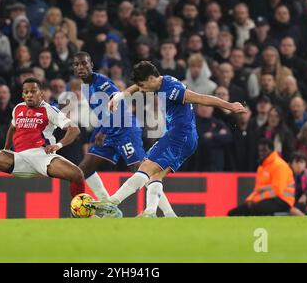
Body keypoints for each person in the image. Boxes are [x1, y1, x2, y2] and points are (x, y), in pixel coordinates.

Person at [93, 61, 245, 217]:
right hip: (186, 138)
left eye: (143, 85)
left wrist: (230, 106)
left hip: (179, 136)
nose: (142, 90)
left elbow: (200, 98)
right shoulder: (160, 81)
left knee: (145, 168)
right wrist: (119, 96)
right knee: (155, 175)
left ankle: (111, 203)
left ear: (151, 78)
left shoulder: (173, 90)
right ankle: (159, 213)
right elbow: (137, 87)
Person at [72, 52, 176, 217]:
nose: (80, 68)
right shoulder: (85, 87)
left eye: (84, 64)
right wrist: (100, 131)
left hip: (125, 129)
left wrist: (103, 131)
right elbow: (103, 113)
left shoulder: (103, 83)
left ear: (91, 64)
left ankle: (168, 213)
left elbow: (119, 104)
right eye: (77, 64)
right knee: (84, 168)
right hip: (109, 131)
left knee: (142, 170)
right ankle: (110, 210)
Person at [228, 139, 295, 216]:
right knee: (233, 213)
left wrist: (256, 200)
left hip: (283, 200)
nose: (261, 153)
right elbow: (258, 188)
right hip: (267, 199)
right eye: (260, 151)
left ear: (271, 150)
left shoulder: (279, 166)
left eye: (264, 150)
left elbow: (277, 191)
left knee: (254, 208)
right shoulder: (262, 167)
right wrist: (250, 199)